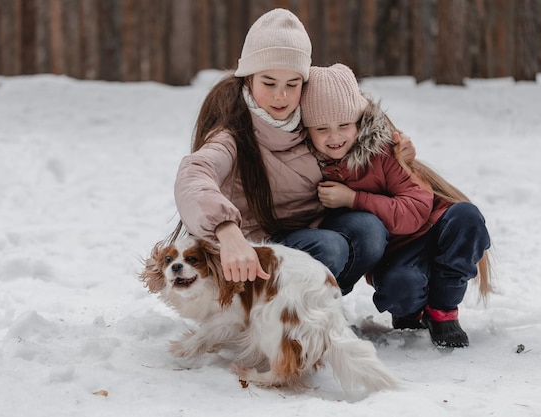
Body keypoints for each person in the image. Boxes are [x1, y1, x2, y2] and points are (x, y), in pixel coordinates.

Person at [173, 9, 416, 289]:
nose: (281, 96)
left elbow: (354, 127)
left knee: (369, 230)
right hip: (252, 252)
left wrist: (395, 149)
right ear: (248, 78)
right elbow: (194, 173)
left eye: (292, 83)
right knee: (330, 247)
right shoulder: (232, 134)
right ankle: (281, 313)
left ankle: (322, 306)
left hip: (310, 229)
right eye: (269, 82)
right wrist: (226, 230)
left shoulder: (314, 117)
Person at [300, 63, 492, 348]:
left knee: (467, 217)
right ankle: (411, 309)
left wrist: (353, 199)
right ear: (307, 129)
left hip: (430, 225)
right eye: (322, 129)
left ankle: (443, 311)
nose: (335, 137)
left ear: (358, 122)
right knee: (401, 288)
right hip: (396, 251)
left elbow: (415, 211)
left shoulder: (381, 151)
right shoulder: (308, 166)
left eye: (344, 126)